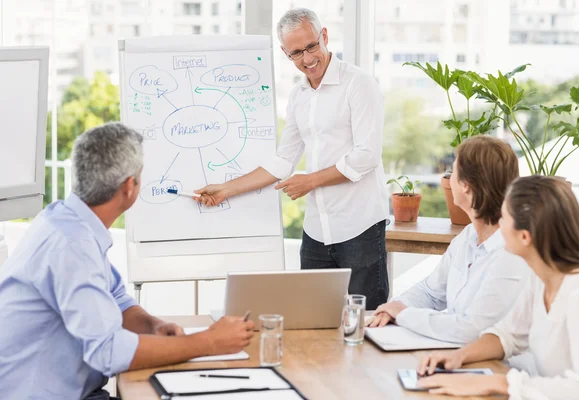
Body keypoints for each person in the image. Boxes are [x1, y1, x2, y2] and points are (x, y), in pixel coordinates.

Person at [0, 123, 255, 400]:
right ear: (130, 186)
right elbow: (108, 353)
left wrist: (152, 326)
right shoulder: (73, 245)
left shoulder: (66, 220)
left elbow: (117, 299)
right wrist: (209, 342)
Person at [194, 8, 389, 309]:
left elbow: (366, 156)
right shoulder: (299, 96)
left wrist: (310, 181)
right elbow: (283, 160)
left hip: (359, 226)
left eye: (311, 47)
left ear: (324, 36)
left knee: (366, 321)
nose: (307, 59)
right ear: (286, 53)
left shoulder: (358, 84)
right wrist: (225, 189)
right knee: (312, 321)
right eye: (297, 53)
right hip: (315, 231)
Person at [417, 176, 579, 398]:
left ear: (525, 237)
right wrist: (459, 356)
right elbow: (509, 335)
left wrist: (498, 383)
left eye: (504, 218)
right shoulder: (541, 277)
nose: (498, 225)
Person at [366, 136, 529, 344]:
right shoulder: (468, 236)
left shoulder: (511, 252)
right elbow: (431, 292)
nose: (448, 179)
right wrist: (393, 309)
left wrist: (404, 315)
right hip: (455, 352)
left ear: (465, 186)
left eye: (453, 172)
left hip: (498, 367)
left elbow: (471, 330)